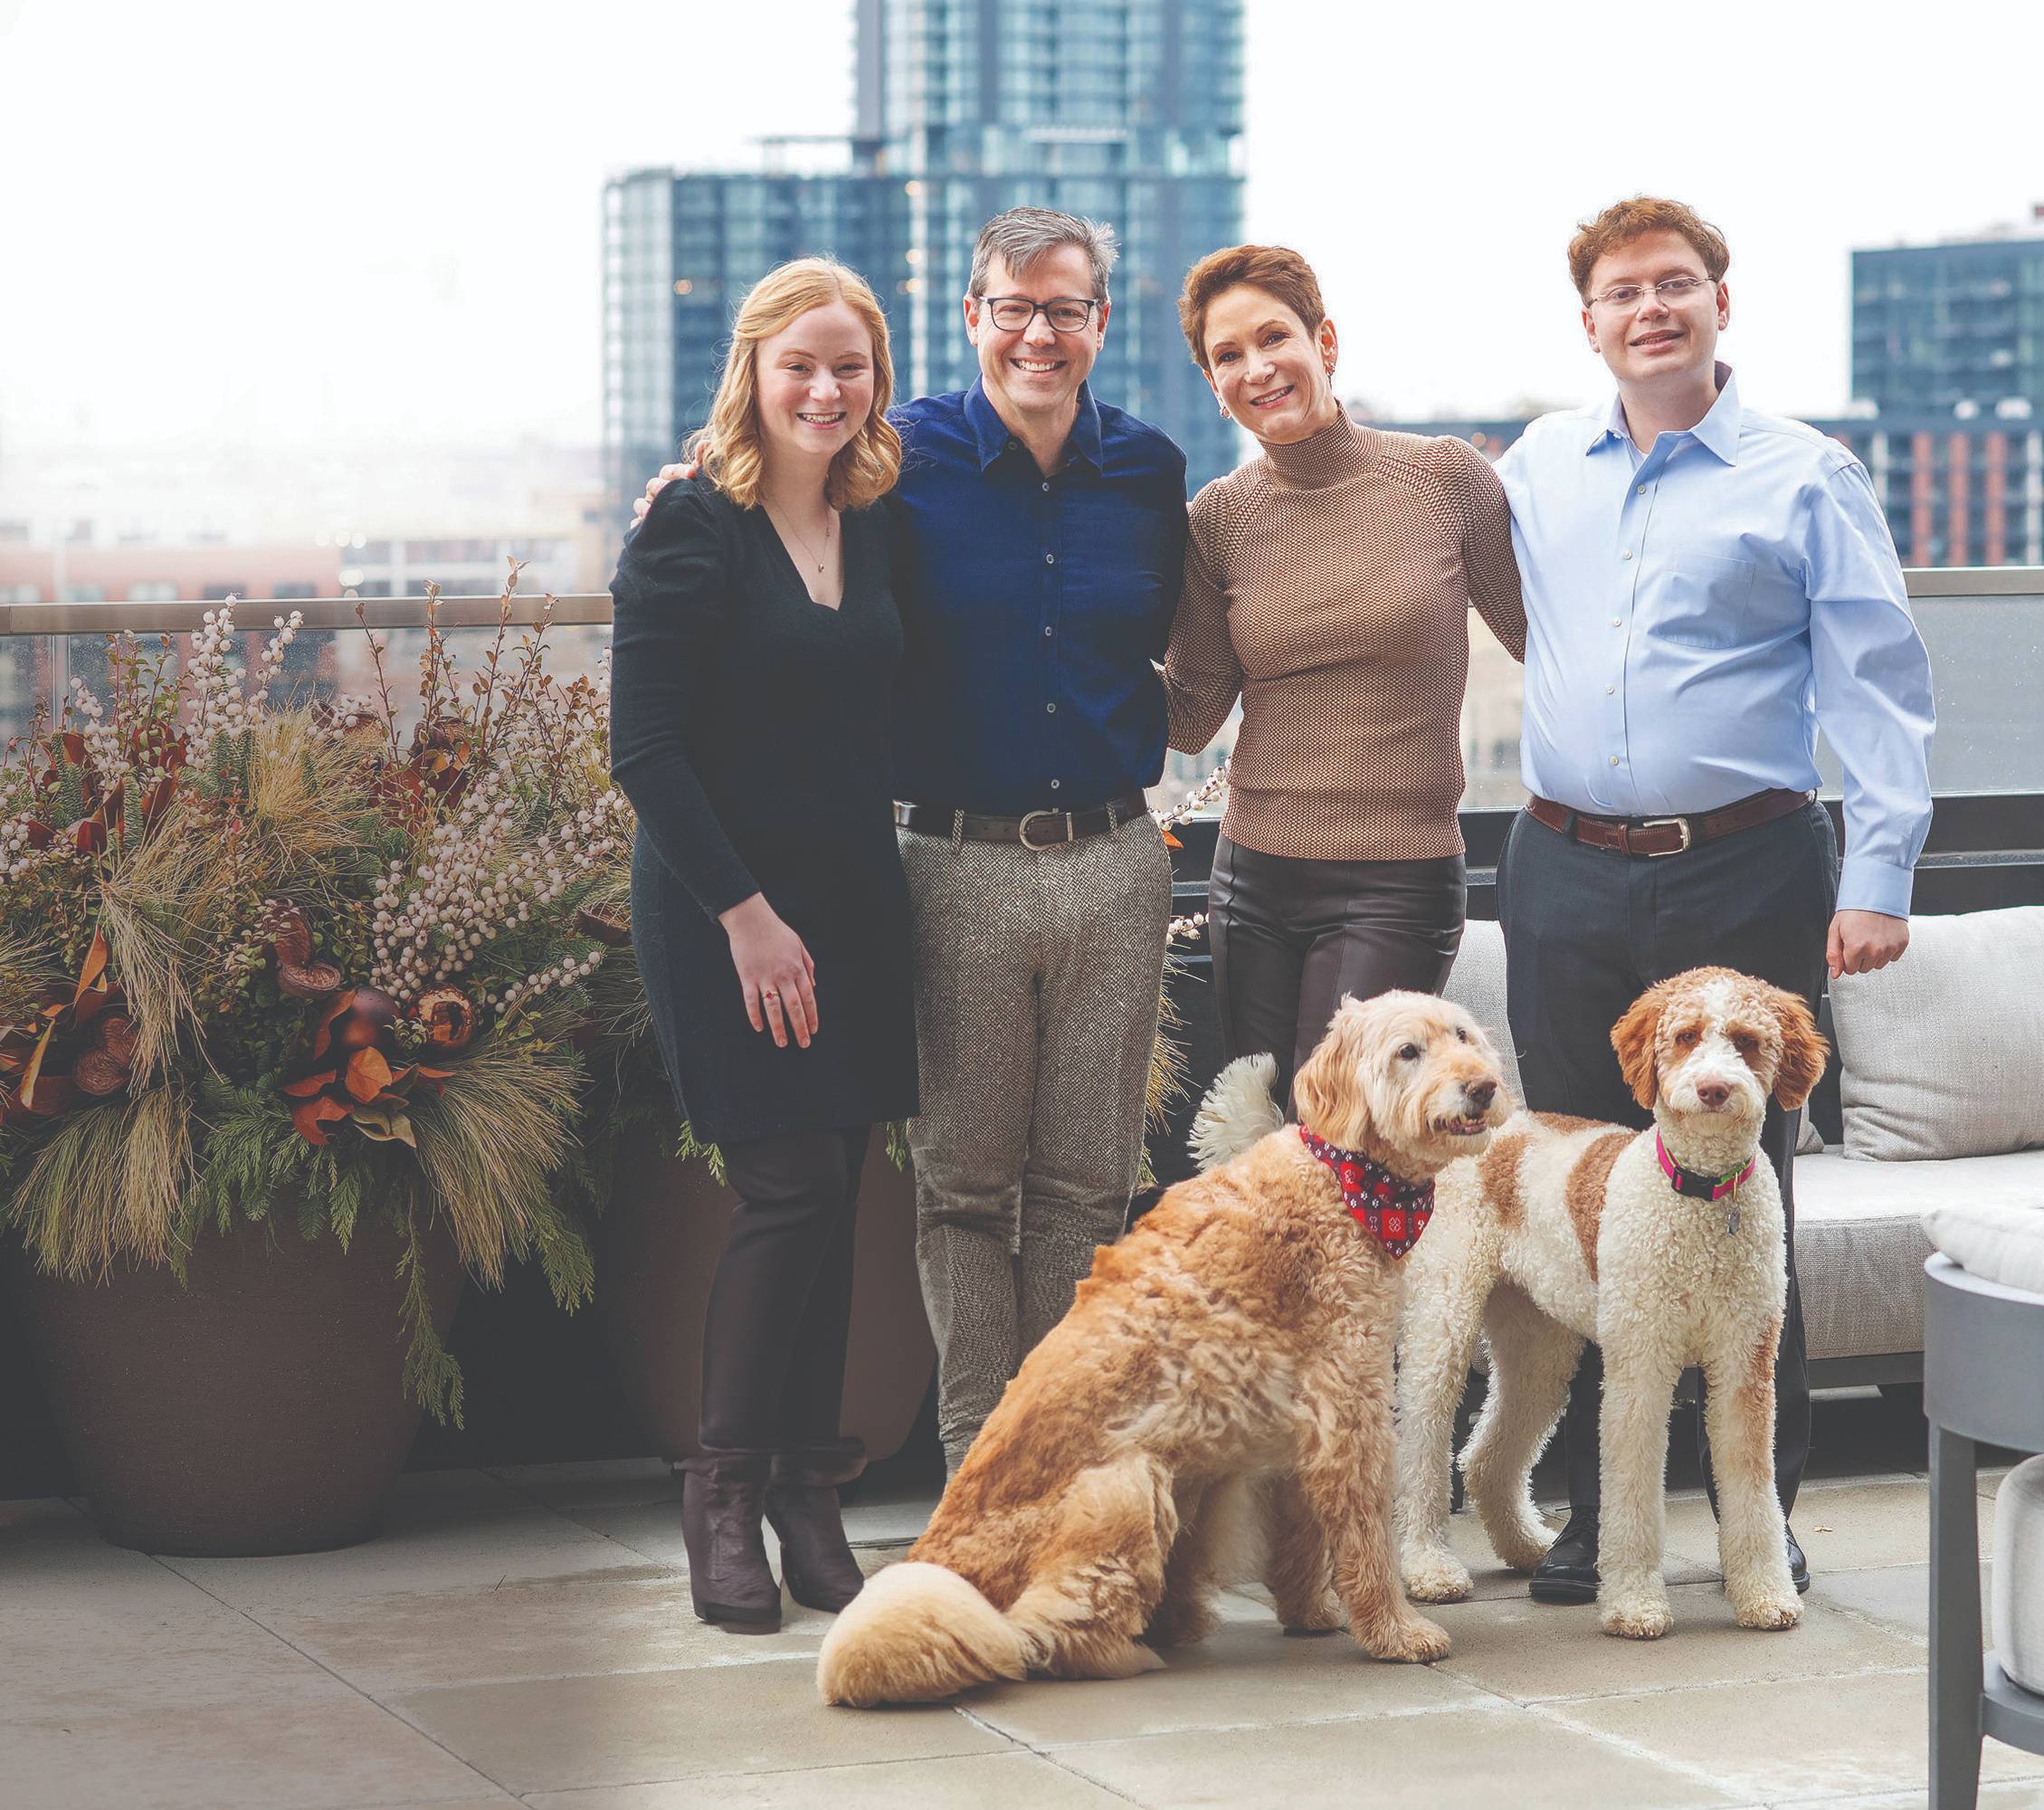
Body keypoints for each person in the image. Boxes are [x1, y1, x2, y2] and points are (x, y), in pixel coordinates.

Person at [633, 211, 1187, 1484]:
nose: (1037, 333)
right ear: (974, 319)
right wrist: (679, 488)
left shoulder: (1150, 473)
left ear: (1101, 323)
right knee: (966, 1189)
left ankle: (1066, 1465)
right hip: (952, 862)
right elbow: (769, 497)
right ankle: (980, 1473)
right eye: (1013, 307)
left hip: (1113, 861)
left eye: (1065, 309)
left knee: (1087, 1191)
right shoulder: (905, 460)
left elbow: (1179, 637)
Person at [1492, 196, 1935, 1604]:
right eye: (1623, 293)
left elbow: (1877, 680)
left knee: (1749, 1206)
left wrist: (1878, 874)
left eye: (1676, 285)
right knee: (1578, 1199)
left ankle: (1762, 1519)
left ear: (1721, 304)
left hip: (1745, 870)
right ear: (1590, 323)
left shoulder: (1807, 475)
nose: (1651, 310)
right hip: (1562, 869)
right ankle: (1589, 1516)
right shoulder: (1537, 466)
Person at [610, 257, 918, 1634]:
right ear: (751, 371)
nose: (824, 388)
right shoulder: (692, 526)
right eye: (799, 363)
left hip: (852, 902)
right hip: (725, 909)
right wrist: (743, 919)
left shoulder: (880, 522)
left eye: (849, 366)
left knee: (837, 1186)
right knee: (787, 1182)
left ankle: (810, 1492)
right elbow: (647, 748)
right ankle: (723, 1493)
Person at [1164, 245, 1524, 1101]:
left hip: (1398, 872)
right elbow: (1188, 714)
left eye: (1273, 337)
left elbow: (1545, 641)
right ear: (1213, 381)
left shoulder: (1444, 481)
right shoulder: (1215, 520)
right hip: (1253, 876)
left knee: (1346, 1135)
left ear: (1325, 341)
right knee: (1261, 1139)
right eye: (1227, 355)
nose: (1257, 368)